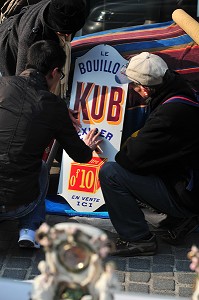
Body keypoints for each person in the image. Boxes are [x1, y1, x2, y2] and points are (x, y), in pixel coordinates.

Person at [0, 39, 102, 248]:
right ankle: (29, 229)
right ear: (55, 72)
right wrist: (89, 146)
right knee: (40, 168)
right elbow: (81, 156)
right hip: (17, 203)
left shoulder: (3, 85)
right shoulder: (53, 107)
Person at [99, 51, 199, 257]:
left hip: (187, 193)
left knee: (111, 173)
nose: (131, 89)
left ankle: (138, 239)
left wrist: (130, 143)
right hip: (189, 180)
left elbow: (129, 160)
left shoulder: (170, 114)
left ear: (144, 89)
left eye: (133, 85)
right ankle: (181, 219)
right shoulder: (180, 88)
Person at [0, 0, 88, 76]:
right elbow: (22, 81)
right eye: (62, 33)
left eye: (70, 32)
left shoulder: (62, 7)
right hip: (7, 49)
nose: (67, 36)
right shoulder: (31, 36)